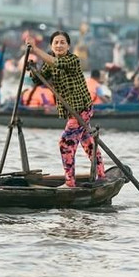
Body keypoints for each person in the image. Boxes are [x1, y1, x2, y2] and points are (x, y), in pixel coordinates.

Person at [26, 30, 105, 188]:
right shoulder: (51, 61)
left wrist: (36, 49)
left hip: (81, 109)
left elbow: (56, 64)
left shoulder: (72, 60)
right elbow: (38, 79)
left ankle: (70, 182)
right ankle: (101, 173)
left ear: (68, 45)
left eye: (62, 42)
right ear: (51, 45)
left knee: (65, 143)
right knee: (88, 142)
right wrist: (32, 66)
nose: (59, 45)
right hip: (73, 111)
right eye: (56, 43)